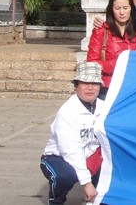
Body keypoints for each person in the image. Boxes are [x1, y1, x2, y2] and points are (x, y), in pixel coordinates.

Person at [40, 62, 107, 205]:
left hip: (92, 154)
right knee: (65, 176)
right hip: (60, 157)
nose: (90, 88)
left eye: (94, 83)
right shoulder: (68, 111)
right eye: (85, 83)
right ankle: (56, 200)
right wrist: (86, 183)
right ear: (76, 86)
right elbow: (70, 150)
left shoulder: (104, 108)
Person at [86, 0, 136, 99]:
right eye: (117, 8)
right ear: (111, 10)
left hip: (129, 87)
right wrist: (120, 63)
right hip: (106, 87)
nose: (122, 12)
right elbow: (91, 62)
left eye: (125, 8)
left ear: (131, 9)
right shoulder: (101, 31)